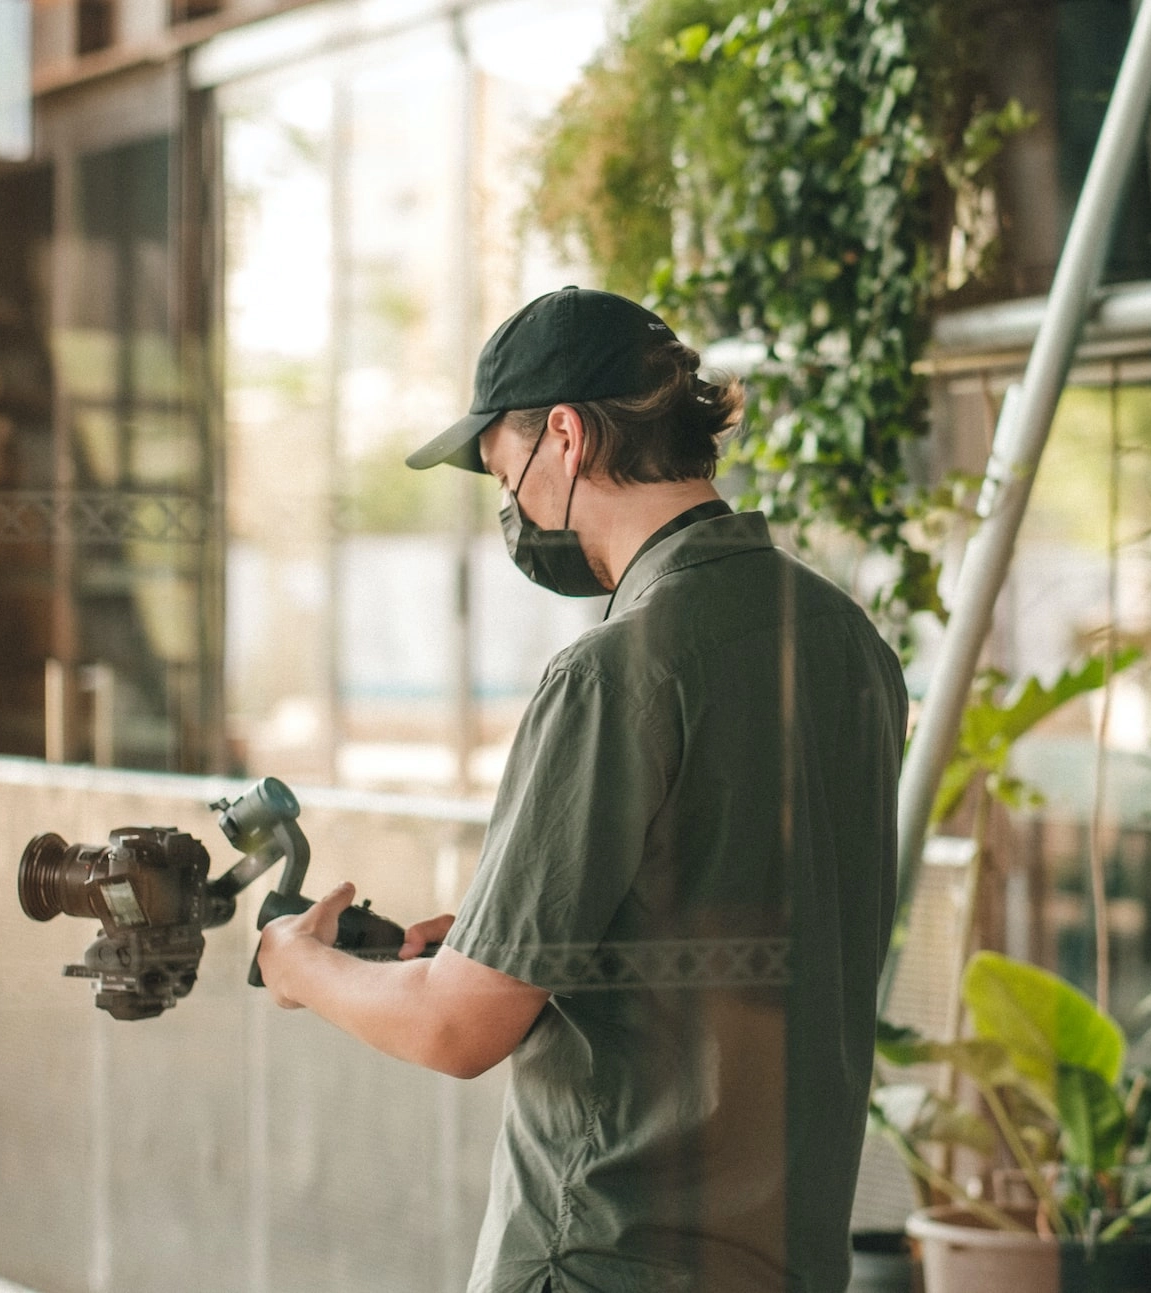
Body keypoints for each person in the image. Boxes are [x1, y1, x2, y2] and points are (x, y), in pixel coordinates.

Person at [254, 286, 906, 1293]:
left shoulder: (615, 670)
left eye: (500, 472)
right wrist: (508, 933)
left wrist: (295, 965)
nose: (508, 508)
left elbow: (455, 1026)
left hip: (603, 1258)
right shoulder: (843, 642)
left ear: (561, 436)